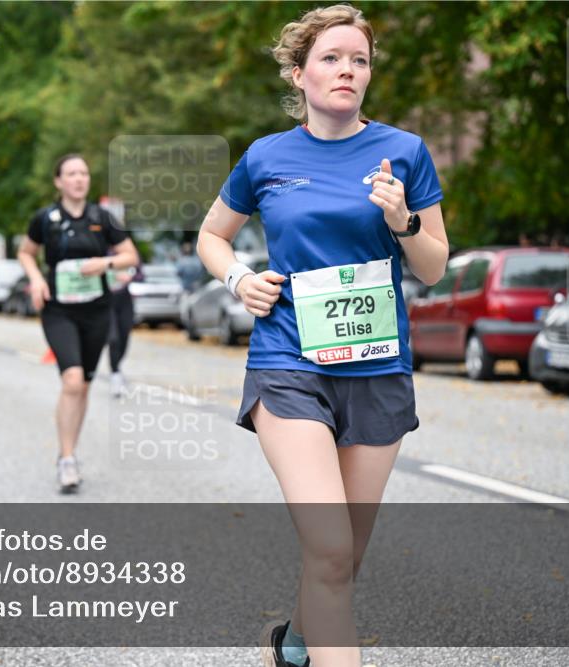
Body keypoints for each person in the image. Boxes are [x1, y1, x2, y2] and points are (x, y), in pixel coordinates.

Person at [195, 7, 448, 667]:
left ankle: (296, 644)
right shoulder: (266, 157)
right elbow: (211, 236)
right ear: (300, 73)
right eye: (332, 58)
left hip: (377, 367)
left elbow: (434, 265)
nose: (347, 70)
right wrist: (239, 280)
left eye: (359, 60)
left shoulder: (405, 152)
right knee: (332, 548)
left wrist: (402, 220)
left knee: (345, 556)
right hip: (288, 363)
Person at [17, 154, 139, 492]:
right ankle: (67, 458)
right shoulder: (45, 219)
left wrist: (105, 263)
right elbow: (26, 252)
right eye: (71, 173)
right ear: (58, 181)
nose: (78, 179)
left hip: (97, 309)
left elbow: (130, 256)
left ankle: (69, 451)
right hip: (59, 310)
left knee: (83, 383)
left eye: (83, 173)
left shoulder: (103, 218)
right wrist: (36, 280)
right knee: (71, 381)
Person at [107, 262, 139, 398]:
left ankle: (117, 367)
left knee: (124, 338)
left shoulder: (129, 253)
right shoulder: (102, 249)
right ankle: (115, 375)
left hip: (124, 300)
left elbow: (140, 273)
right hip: (107, 301)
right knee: (113, 339)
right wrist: (113, 274)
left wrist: (131, 276)